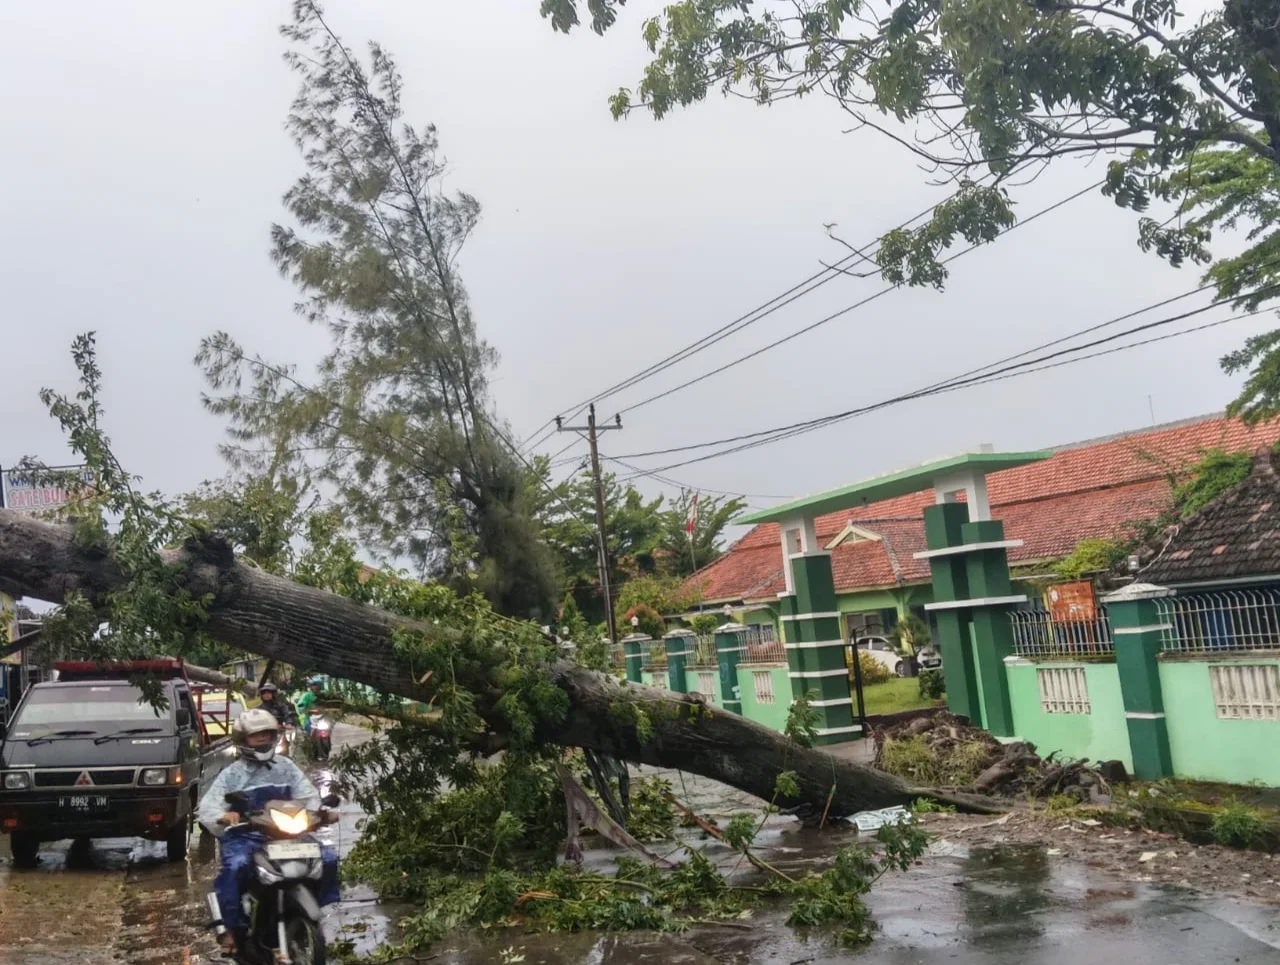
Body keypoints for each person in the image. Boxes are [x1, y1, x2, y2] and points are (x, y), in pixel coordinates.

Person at [197, 708, 339, 956]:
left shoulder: (286, 767)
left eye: (267, 734)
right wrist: (224, 815)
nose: (263, 739)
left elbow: (308, 796)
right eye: (256, 735)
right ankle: (232, 927)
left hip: (287, 834)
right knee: (236, 867)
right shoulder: (232, 774)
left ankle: (312, 907)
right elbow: (208, 807)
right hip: (246, 836)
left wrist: (321, 812)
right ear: (243, 740)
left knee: (327, 858)